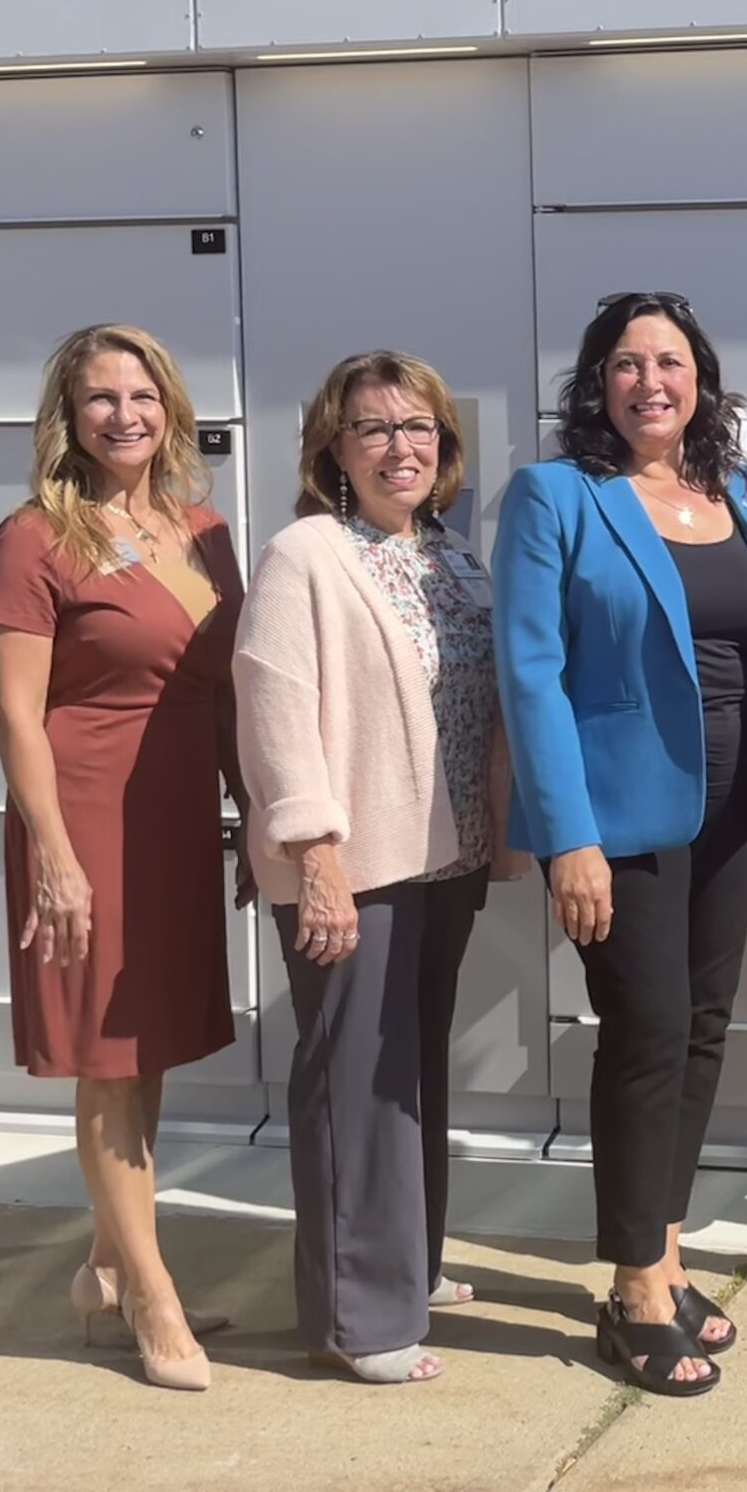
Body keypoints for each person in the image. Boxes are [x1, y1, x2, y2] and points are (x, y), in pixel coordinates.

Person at [496, 291, 747, 1399]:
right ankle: (636, 1287)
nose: (653, 381)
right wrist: (568, 839)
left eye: (673, 362)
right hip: (619, 818)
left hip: (737, 802)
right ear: (598, 384)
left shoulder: (741, 493)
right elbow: (532, 675)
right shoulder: (557, 496)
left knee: (698, 1030)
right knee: (643, 1032)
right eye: (629, 363)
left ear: (704, 380)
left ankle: (668, 1249)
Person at [235, 353, 529, 1385]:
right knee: (352, 1082)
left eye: (420, 430)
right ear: (333, 448)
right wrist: (315, 856)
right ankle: (362, 1316)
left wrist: (503, 828)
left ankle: (413, 1261)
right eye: (374, 429)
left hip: (441, 854)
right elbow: (273, 712)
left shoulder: (453, 558)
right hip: (351, 865)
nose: (400, 447)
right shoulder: (305, 554)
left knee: (409, 1073)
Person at [0, 324, 247, 1392]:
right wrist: (54, 853)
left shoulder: (203, 529)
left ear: (170, 407)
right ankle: (152, 1296)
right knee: (106, 1060)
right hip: (82, 813)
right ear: (68, 416)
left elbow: (225, 691)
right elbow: (13, 717)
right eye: (100, 398)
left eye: (141, 394)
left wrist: (246, 813)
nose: (123, 414)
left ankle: (104, 1263)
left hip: (176, 815)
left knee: (152, 1047)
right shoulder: (35, 538)